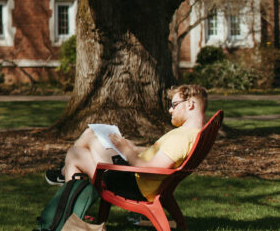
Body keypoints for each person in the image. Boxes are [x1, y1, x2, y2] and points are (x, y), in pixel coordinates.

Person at [45, 84, 209, 202]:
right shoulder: (189, 135)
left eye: (174, 105)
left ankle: (65, 174)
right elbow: (161, 156)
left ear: (190, 104)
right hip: (133, 176)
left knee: (85, 141)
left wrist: (126, 150)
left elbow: (151, 171)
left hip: (130, 183)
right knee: (81, 145)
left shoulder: (181, 138)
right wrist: (134, 147)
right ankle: (66, 171)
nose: (170, 110)